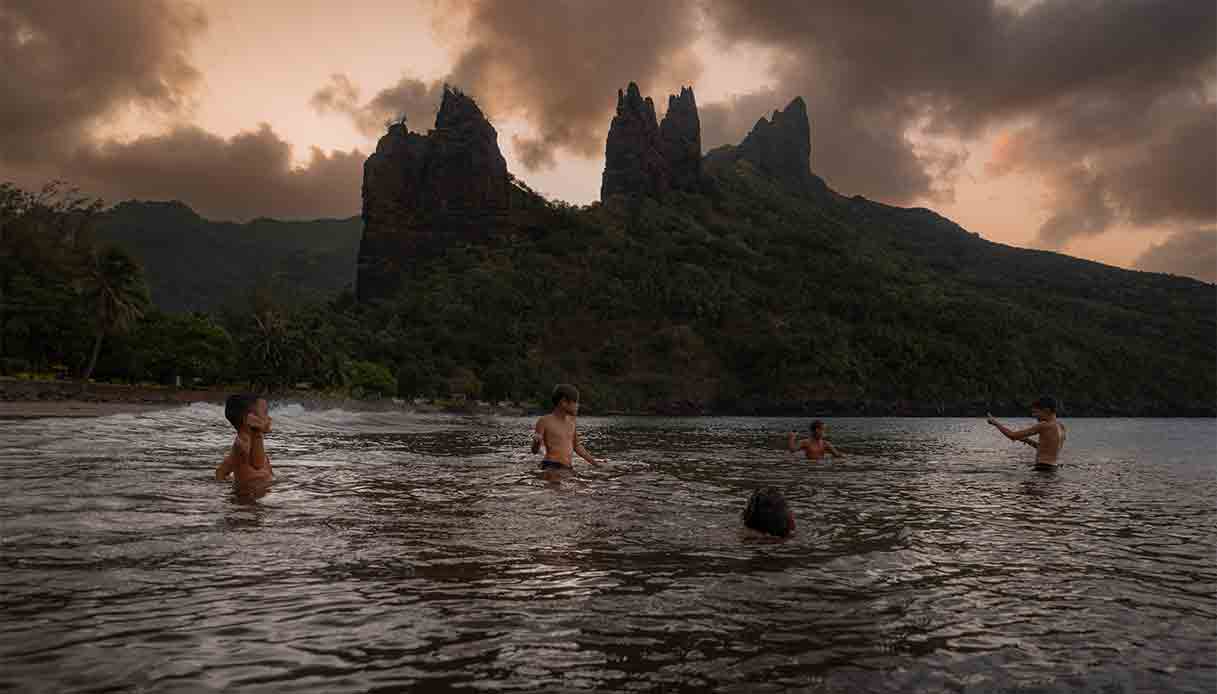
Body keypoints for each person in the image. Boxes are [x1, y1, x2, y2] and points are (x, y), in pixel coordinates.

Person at [531, 383, 599, 475]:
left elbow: (577, 446)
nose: (578, 405)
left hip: (567, 467)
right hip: (551, 465)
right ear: (563, 402)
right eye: (575, 402)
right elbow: (535, 451)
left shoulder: (572, 421)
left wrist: (596, 464)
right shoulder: (544, 421)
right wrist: (537, 442)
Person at [987, 396, 1066, 467]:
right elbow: (1046, 449)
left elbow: (1012, 435)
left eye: (1036, 412)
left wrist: (995, 423)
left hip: (1042, 467)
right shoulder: (1061, 427)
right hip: (1053, 467)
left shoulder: (1044, 425)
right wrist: (1027, 440)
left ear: (1047, 410)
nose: (1033, 415)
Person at [215, 393, 273, 482]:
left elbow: (221, 471)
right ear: (250, 419)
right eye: (265, 413)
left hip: (256, 492)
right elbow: (258, 463)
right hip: (248, 494)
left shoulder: (240, 443)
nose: (269, 418)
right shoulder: (243, 444)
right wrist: (257, 432)